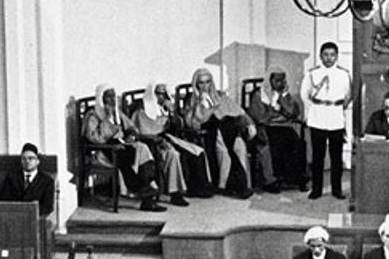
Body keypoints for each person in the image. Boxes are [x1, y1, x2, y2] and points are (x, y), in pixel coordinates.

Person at [84, 84, 166, 212]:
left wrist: (131, 136)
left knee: (143, 148)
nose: (112, 100)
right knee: (124, 155)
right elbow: (95, 138)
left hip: (122, 144)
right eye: (108, 97)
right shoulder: (93, 116)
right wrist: (107, 119)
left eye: (113, 96)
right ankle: (143, 190)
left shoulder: (118, 113)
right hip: (105, 150)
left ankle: (148, 188)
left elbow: (131, 126)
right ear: (101, 99)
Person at [182, 68, 259, 197]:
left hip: (229, 129)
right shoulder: (192, 100)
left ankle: (243, 184)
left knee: (239, 147)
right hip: (209, 133)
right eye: (201, 83)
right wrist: (202, 106)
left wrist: (250, 124)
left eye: (208, 82)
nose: (205, 86)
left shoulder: (220, 96)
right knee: (223, 148)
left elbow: (240, 112)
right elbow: (192, 123)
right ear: (196, 84)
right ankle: (229, 185)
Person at [126, 82, 197, 202]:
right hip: (148, 143)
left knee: (174, 154)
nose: (162, 98)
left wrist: (172, 112)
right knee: (169, 154)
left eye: (164, 94)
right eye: (159, 94)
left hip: (163, 140)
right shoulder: (141, 111)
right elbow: (140, 130)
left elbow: (177, 126)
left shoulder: (164, 111)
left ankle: (175, 193)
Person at [303, 42, 352, 201]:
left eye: (332, 55)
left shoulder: (343, 74)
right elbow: (305, 95)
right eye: (326, 54)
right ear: (320, 56)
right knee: (318, 156)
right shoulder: (312, 74)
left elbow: (348, 95)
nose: (329, 58)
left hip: (336, 117)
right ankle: (316, 189)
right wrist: (313, 110)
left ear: (337, 56)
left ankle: (336, 189)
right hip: (318, 117)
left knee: (336, 156)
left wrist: (339, 108)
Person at [248, 69, 307, 189]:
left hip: (283, 126)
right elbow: (261, 118)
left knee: (297, 143)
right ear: (270, 81)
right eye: (277, 80)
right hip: (266, 127)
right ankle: (272, 180)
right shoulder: (259, 95)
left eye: (283, 80)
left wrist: (284, 97)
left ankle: (295, 178)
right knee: (273, 143)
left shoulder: (283, 94)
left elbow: (293, 113)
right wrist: (273, 107)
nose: (280, 84)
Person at [0, 142, 56, 219]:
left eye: (31, 158)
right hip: (13, 218)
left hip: (35, 219)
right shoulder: (11, 178)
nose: (27, 161)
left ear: (37, 161)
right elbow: (4, 201)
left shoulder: (47, 181)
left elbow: (47, 207)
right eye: (24, 159)